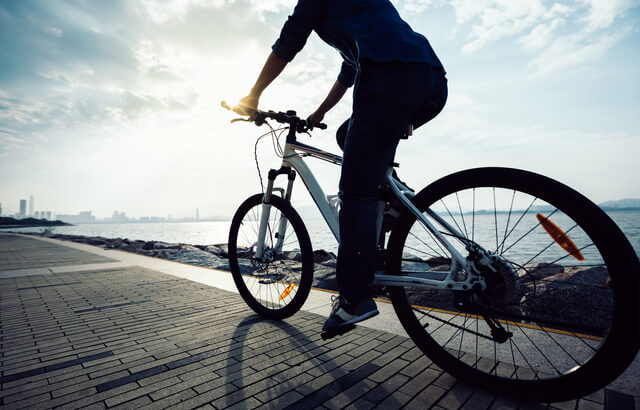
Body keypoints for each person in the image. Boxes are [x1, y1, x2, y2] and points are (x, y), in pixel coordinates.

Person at [233, 0, 448, 333]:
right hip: (429, 78)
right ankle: (392, 196)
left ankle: (354, 298)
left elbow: (288, 43)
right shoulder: (361, 13)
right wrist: (318, 114)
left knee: (355, 193)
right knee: (347, 135)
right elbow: (349, 72)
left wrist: (253, 95)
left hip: (389, 74)